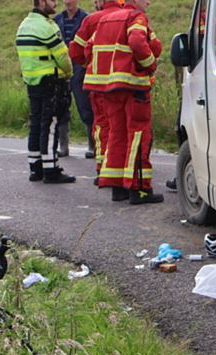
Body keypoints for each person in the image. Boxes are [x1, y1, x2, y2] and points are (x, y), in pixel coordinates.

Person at [83, 0, 164, 204]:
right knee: (138, 135)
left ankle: (118, 188)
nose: (148, 2)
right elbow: (138, 42)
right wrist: (150, 65)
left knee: (117, 134)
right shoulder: (135, 17)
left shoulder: (104, 19)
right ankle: (140, 190)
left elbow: (87, 48)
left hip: (108, 88)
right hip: (133, 86)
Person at [16, 0, 76, 184]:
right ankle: (51, 169)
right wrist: (68, 73)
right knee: (50, 125)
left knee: (35, 123)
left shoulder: (24, 25)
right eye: (52, 0)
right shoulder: (47, 27)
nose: (56, 3)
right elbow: (62, 56)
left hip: (32, 82)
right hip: (51, 82)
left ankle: (36, 168)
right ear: (41, 2)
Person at [69, 0, 123, 185]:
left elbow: (75, 51)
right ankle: (126, 171)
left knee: (102, 126)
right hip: (125, 84)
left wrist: (91, 65)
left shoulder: (92, 20)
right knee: (122, 128)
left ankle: (103, 169)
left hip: (99, 85)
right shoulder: (131, 18)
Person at [53, 0, 96, 159]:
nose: (67, 2)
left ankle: (92, 145)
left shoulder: (87, 19)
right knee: (61, 107)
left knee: (86, 107)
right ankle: (63, 146)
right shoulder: (57, 20)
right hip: (62, 69)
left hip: (80, 69)